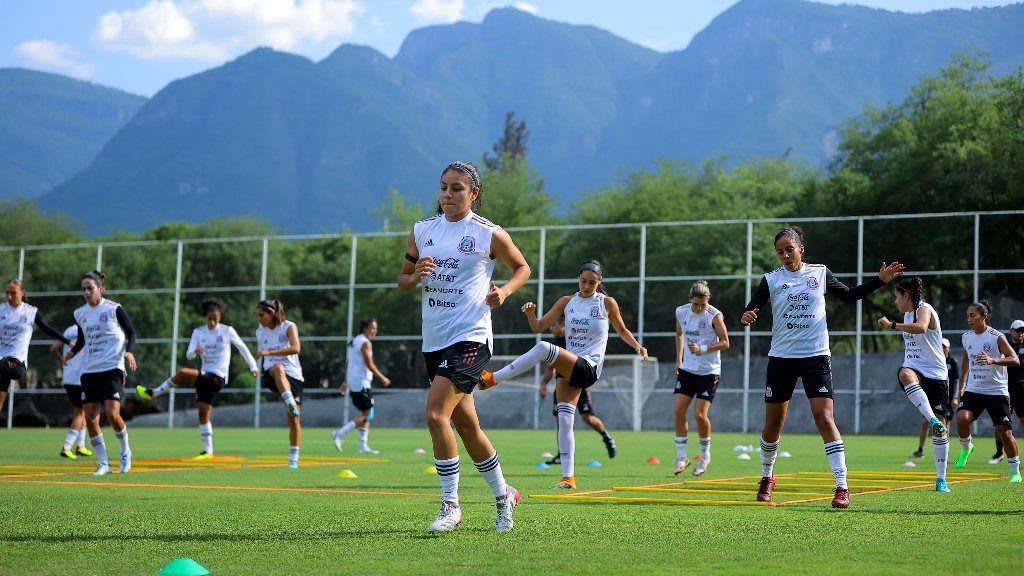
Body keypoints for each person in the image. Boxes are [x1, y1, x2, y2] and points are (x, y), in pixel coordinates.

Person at [398, 161, 530, 532]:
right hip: (435, 341)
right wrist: (415, 276)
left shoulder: (488, 233)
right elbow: (403, 280)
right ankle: (505, 495)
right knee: (467, 426)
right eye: (443, 187)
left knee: (435, 415)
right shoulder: (422, 231)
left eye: (457, 188)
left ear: (473, 194)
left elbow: (522, 267)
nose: (448, 194)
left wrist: (503, 291)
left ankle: (450, 506)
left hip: (471, 337)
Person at [741, 226, 904, 508]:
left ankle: (842, 486)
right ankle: (767, 477)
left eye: (789, 250)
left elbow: (851, 295)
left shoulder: (819, 273)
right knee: (773, 423)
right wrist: (748, 314)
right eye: (780, 252)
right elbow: (752, 306)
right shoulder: (771, 279)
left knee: (824, 419)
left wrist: (880, 280)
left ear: (801, 249)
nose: (785, 256)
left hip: (815, 356)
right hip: (781, 357)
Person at [479, 259, 648, 491]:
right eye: (583, 281)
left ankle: (492, 379)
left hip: (588, 367)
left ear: (600, 282)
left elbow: (622, 330)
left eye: (592, 282)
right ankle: (568, 478)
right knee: (565, 420)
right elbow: (538, 327)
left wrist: (638, 347)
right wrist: (531, 313)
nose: (587, 286)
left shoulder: (606, 303)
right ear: (578, 279)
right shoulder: (567, 302)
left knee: (544, 349)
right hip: (570, 367)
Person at [137, 300, 258, 459]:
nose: (213, 322)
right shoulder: (198, 332)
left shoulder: (227, 331)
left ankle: (154, 393)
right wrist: (195, 351)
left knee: (183, 372)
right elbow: (189, 354)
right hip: (204, 375)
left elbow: (242, 347)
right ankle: (208, 451)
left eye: (216, 319)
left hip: (218, 377)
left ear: (220, 317)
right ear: (205, 318)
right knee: (203, 412)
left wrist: (253, 366)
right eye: (210, 319)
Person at [876, 276, 952, 492]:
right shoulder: (908, 313)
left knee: (940, 431)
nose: (895, 301)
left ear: (906, 295)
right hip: (915, 368)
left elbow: (921, 327)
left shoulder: (924, 308)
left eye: (896, 297)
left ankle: (941, 479)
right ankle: (932, 420)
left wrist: (892, 324)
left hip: (937, 374)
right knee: (905, 374)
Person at [65, 271, 138, 476]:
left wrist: (130, 351)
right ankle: (104, 463)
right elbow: (82, 339)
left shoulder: (114, 309)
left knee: (113, 414)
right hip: (89, 370)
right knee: (90, 418)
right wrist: (71, 352)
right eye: (84, 289)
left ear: (100, 289)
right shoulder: (80, 313)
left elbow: (131, 332)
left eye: (90, 288)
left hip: (113, 368)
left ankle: (125, 452)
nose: (87, 292)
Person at [954, 302, 1021, 482]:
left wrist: (993, 360)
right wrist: (963, 381)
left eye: (973, 315)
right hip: (974, 390)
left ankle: (1015, 471)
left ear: (984, 317)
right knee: (961, 418)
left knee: (1004, 432)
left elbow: (1015, 360)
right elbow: (967, 357)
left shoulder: (996, 337)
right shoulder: (966, 337)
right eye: (967, 316)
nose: (969, 319)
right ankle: (967, 448)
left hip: (996, 391)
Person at [539, 314, 617, 463]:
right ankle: (563, 455)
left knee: (587, 417)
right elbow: (551, 368)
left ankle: (607, 438)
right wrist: (543, 385)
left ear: (563, 325)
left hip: (579, 383)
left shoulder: (574, 339)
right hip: (561, 384)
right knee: (561, 420)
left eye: (553, 324)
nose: (550, 328)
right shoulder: (555, 344)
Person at [673, 280, 729, 477]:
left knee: (699, 415)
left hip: (709, 371)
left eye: (702, 305)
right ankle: (681, 457)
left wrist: (703, 349)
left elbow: (725, 342)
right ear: (690, 300)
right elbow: (679, 334)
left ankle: (705, 455)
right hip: (688, 369)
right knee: (679, 410)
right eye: (696, 304)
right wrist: (679, 359)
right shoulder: (681, 312)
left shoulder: (714, 315)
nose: (699, 308)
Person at [0, 278, 71, 419]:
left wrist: (68, 342)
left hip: (16, 363)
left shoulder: (31, 312)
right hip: (2, 361)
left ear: (22, 293)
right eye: (7, 292)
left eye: (13, 293)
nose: (9, 296)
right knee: (1, 390)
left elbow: (48, 329)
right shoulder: (1, 310)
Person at [255, 298, 304, 469]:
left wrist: (269, 351)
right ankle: (289, 400)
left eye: (262, 315)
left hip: (293, 376)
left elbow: (296, 348)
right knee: (277, 367)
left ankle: (293, 459)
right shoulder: (260, 333)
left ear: (272, 313)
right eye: (258, 316)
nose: (259, 319)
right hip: (272, 374)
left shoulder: (288, 326)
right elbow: (261, 355)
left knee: (294, 421)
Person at [332, 318, 391, 454]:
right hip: (361, 382)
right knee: (368, 414)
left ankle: (362, 446)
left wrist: (345, 381)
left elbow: (349, 363)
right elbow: (369, 364)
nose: (375, 331)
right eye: (372, 328)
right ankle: (340, 433)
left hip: (354, 382)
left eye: (376, 328)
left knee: (366, 412)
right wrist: (382, 377)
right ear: (365, 328)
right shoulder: (365, 343)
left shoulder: (354, 341)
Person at [911, 338, 958, 459]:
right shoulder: (932, 360)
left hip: (947, 398)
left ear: (948, 349)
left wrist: (955, 397)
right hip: (932, 397)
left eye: (944, 347)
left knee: (944, 423)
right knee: (925, 423)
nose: (942, 348)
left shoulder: (952, 362)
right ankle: (920, 450)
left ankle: (943, 452)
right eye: (940, 346)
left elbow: (956, 381)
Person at [51, 324, 92, 459]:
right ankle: (66, 447)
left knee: (82, 411)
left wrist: (62, 361)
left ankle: (81, 446)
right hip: (82, 379)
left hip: (68, 378)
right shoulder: (90, 328)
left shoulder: (69, 330)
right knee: (81, 413)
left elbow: (53, 349)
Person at [989, 319, 1024, 464]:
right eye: (1018, 330)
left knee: (1023, 419)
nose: (1021, 333)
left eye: (1023, 331)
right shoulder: (1005, 346)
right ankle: (999, 452)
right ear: (1011, 331)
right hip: (1005, 389)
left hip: (1022, 388)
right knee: (1000, 422)